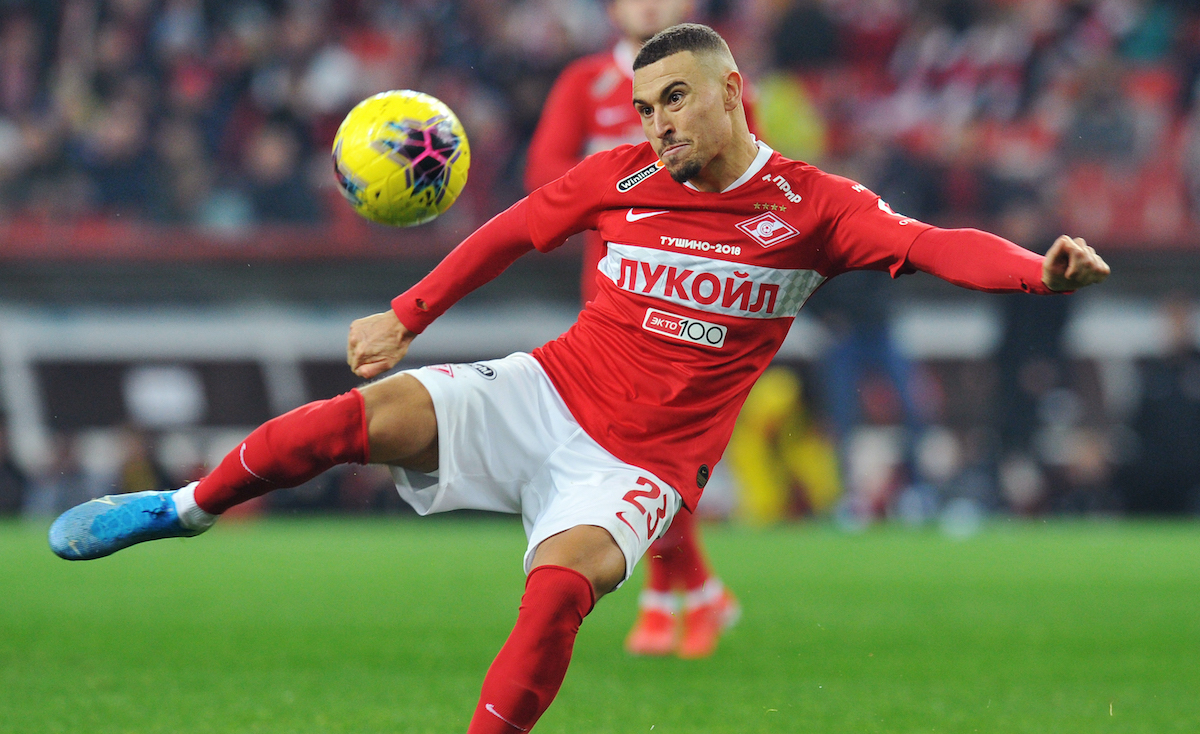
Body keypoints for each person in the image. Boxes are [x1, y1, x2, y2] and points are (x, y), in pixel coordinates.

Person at [49, 24, 1110, 734]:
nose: (658, 125)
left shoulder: (813, 206)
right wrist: (407, 314)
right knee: (351, 419)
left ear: (735, 93)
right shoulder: (623, 175)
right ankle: (180, 507)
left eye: (677, 100)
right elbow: (509, 232)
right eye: (646, 107)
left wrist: (1033, 271)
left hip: (642, 464)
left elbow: (930, 245)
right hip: (545, 392)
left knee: (558, 593)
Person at [525, 0, 739, 659]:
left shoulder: (721, 78)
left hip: (698, 290)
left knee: (650, 453)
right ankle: (691, 595)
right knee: (641, 455)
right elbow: (545, 182)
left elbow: (744, 176)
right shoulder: (584, 82)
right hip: (615, 299)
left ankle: (680, 597)